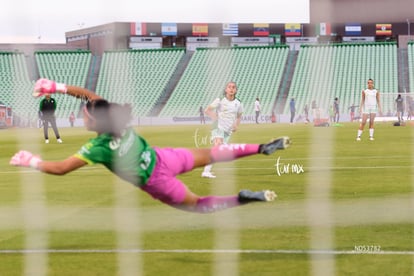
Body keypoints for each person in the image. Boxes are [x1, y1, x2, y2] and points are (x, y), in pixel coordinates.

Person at [10, 78, 291, 214]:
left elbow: (60, 168)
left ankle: (241, 198)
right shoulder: (120, 120)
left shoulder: (98, 146)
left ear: (96, 122)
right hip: (164, 157)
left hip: (157, 182)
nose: (83, 113)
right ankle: (262, 147)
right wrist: (56, 87)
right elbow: (91, 97)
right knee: (213, 153)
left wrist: (29, 161)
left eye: (86, 114)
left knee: (199, 206)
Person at [201, 81, 243, 179]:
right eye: (229, 87)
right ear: (226, 89)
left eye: (233, 87)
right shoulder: (220, 100)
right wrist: (215, 118)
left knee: (218, 151)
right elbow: (207, 110)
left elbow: (239, 116)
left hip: (227, 130)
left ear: (236, 90)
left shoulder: (238, 103)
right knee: (218, 146)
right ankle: (206, 172)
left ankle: (206, 170)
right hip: (218, 127)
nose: (231, 89)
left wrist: (236, 125)